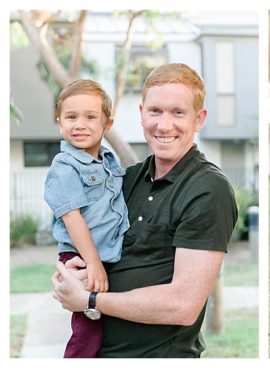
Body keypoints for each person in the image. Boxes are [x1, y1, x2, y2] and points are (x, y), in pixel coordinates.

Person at [52, 63, 238, 357]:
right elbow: (85, 232)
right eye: (155, 112)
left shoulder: (208, 189)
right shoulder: (126, 179)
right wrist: (71, 272)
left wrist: (90, 301)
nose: (164, 125)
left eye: (178, 112)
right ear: (141, 114)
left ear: (199, 119)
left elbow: (183, 305)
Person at [44, 79, 130, 358]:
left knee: (108, 328)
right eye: (71, 117)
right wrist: (93, 264)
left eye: (90, 117)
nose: (79, 124)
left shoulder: (108, 161)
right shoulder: (64, 165)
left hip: (106, 255)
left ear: (107, 125)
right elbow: (73, 218)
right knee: (87, 332)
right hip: (82, 258)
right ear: (60, 123)